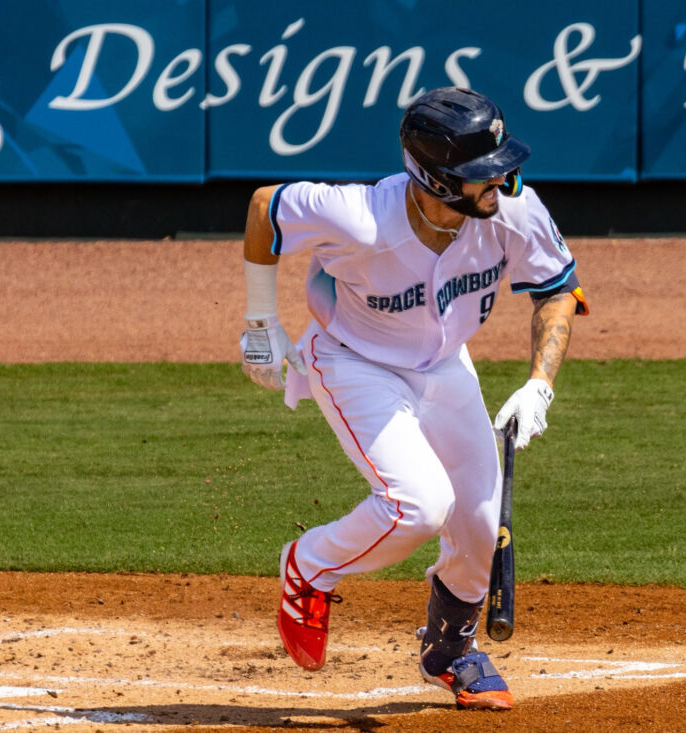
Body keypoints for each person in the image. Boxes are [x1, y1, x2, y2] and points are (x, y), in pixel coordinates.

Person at [239, 86, 588, 711]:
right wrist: (261, 320)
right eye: (483, 173)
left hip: (445, 367)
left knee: (480, 527)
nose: (502, 180)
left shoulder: (515, 210)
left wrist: (540, 384)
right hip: (353, 362)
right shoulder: (359, 218)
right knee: (418, 505)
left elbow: (558, 290)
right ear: (436, 178)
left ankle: (450, 651)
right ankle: (309, 566)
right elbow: (267, 208)